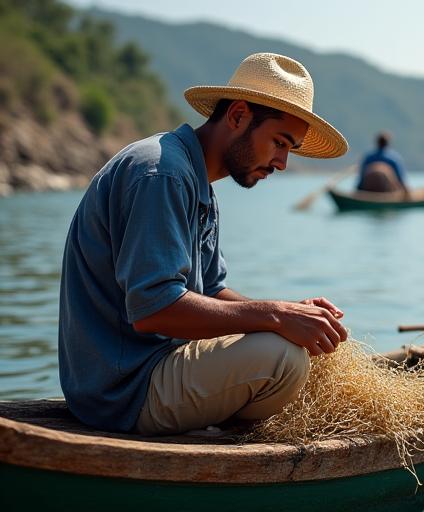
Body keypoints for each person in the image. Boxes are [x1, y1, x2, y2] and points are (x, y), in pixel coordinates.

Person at [58, 53, 350, 435]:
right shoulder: (162, 174)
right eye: (279, 143)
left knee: (299, 343)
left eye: (289, 149)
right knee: (284, 360)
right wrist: (276, 316)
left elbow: (210, 290)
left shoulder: (197, 183)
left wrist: (293, 313)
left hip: (152, 368)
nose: (282, 163)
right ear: (238, 116)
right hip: (123, 391)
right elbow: (154, 310)